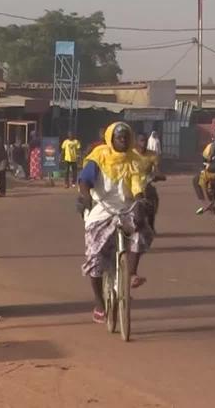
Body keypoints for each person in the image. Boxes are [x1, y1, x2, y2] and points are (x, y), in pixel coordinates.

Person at [78, 122, 154, 324]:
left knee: (142, 229)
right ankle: (99, 303)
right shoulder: (99, 156)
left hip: (126, 207)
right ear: (111, 138)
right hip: (103, 208)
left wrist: (139, 199)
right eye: (119, 137)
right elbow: (85, 181)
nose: (123, 140)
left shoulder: (134, 159)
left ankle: (132, 273)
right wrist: (85, 197)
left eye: (125, 137)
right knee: (94, 257)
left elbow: (137, 183)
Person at [136, 134, 164, 232]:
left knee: (153, 197)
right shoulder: (131, 154)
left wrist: (158, 176)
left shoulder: (152, 155)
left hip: (145, 182)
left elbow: (156, 169)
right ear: (136, 142)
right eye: (141, 140)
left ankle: (151, 223)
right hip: (131, 182)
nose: (143, 143)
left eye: (145, 141)